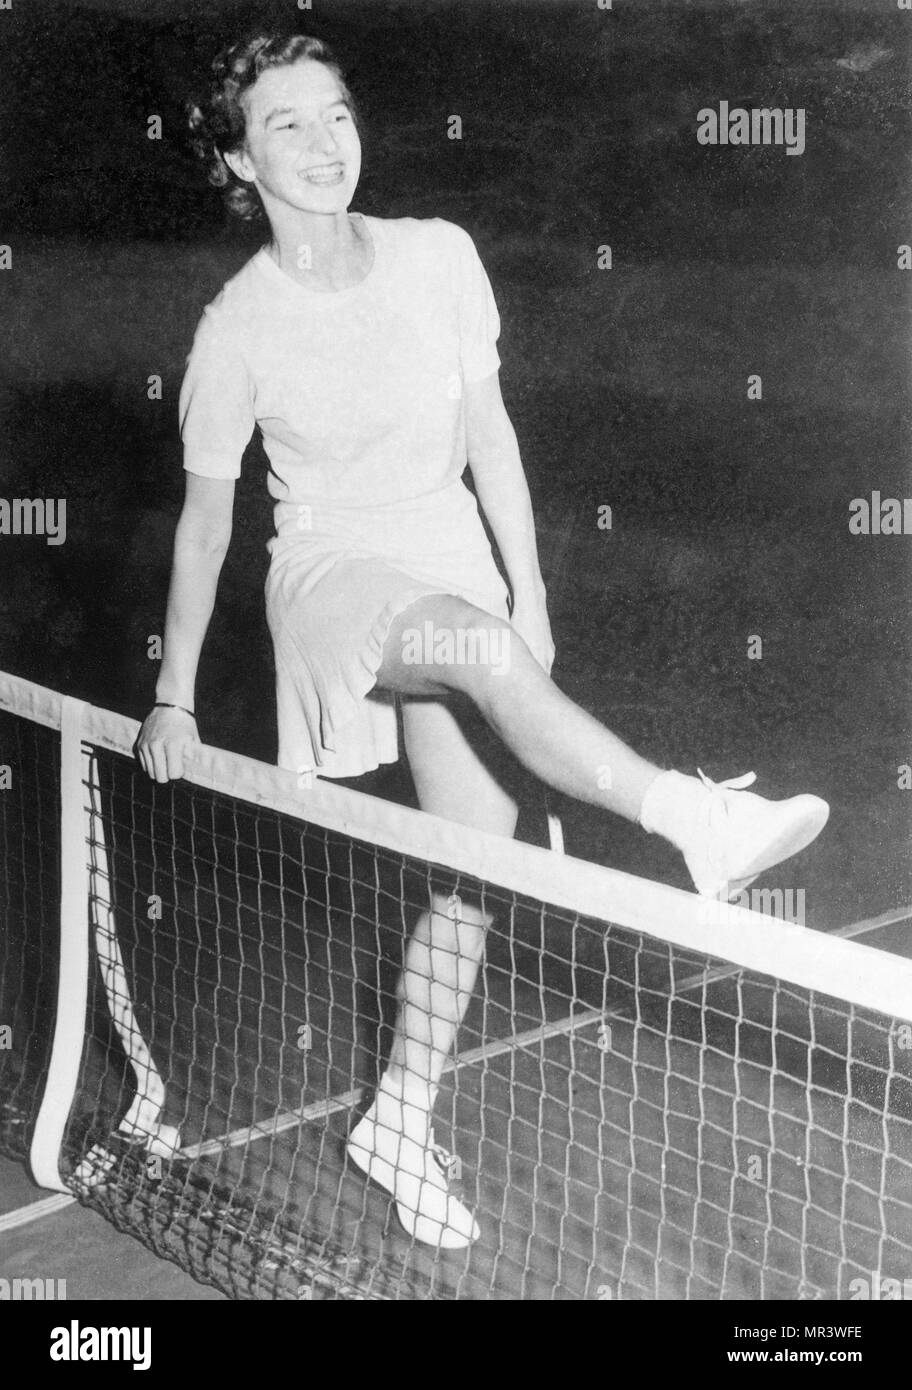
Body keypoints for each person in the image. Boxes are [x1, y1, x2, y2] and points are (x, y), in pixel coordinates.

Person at [136, 31, 829, 1250]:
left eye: (335, 114)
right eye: (285, 125)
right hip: (334, 574)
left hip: (451, 553)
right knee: (466, 650)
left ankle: (399, 1110)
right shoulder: (233, 328)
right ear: (238, 160)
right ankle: (694, 821)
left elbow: (492, 439)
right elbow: (204, 533)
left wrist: (533, 594)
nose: (321, 144)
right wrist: (174, 698)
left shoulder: (440, 257)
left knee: (480, 850)